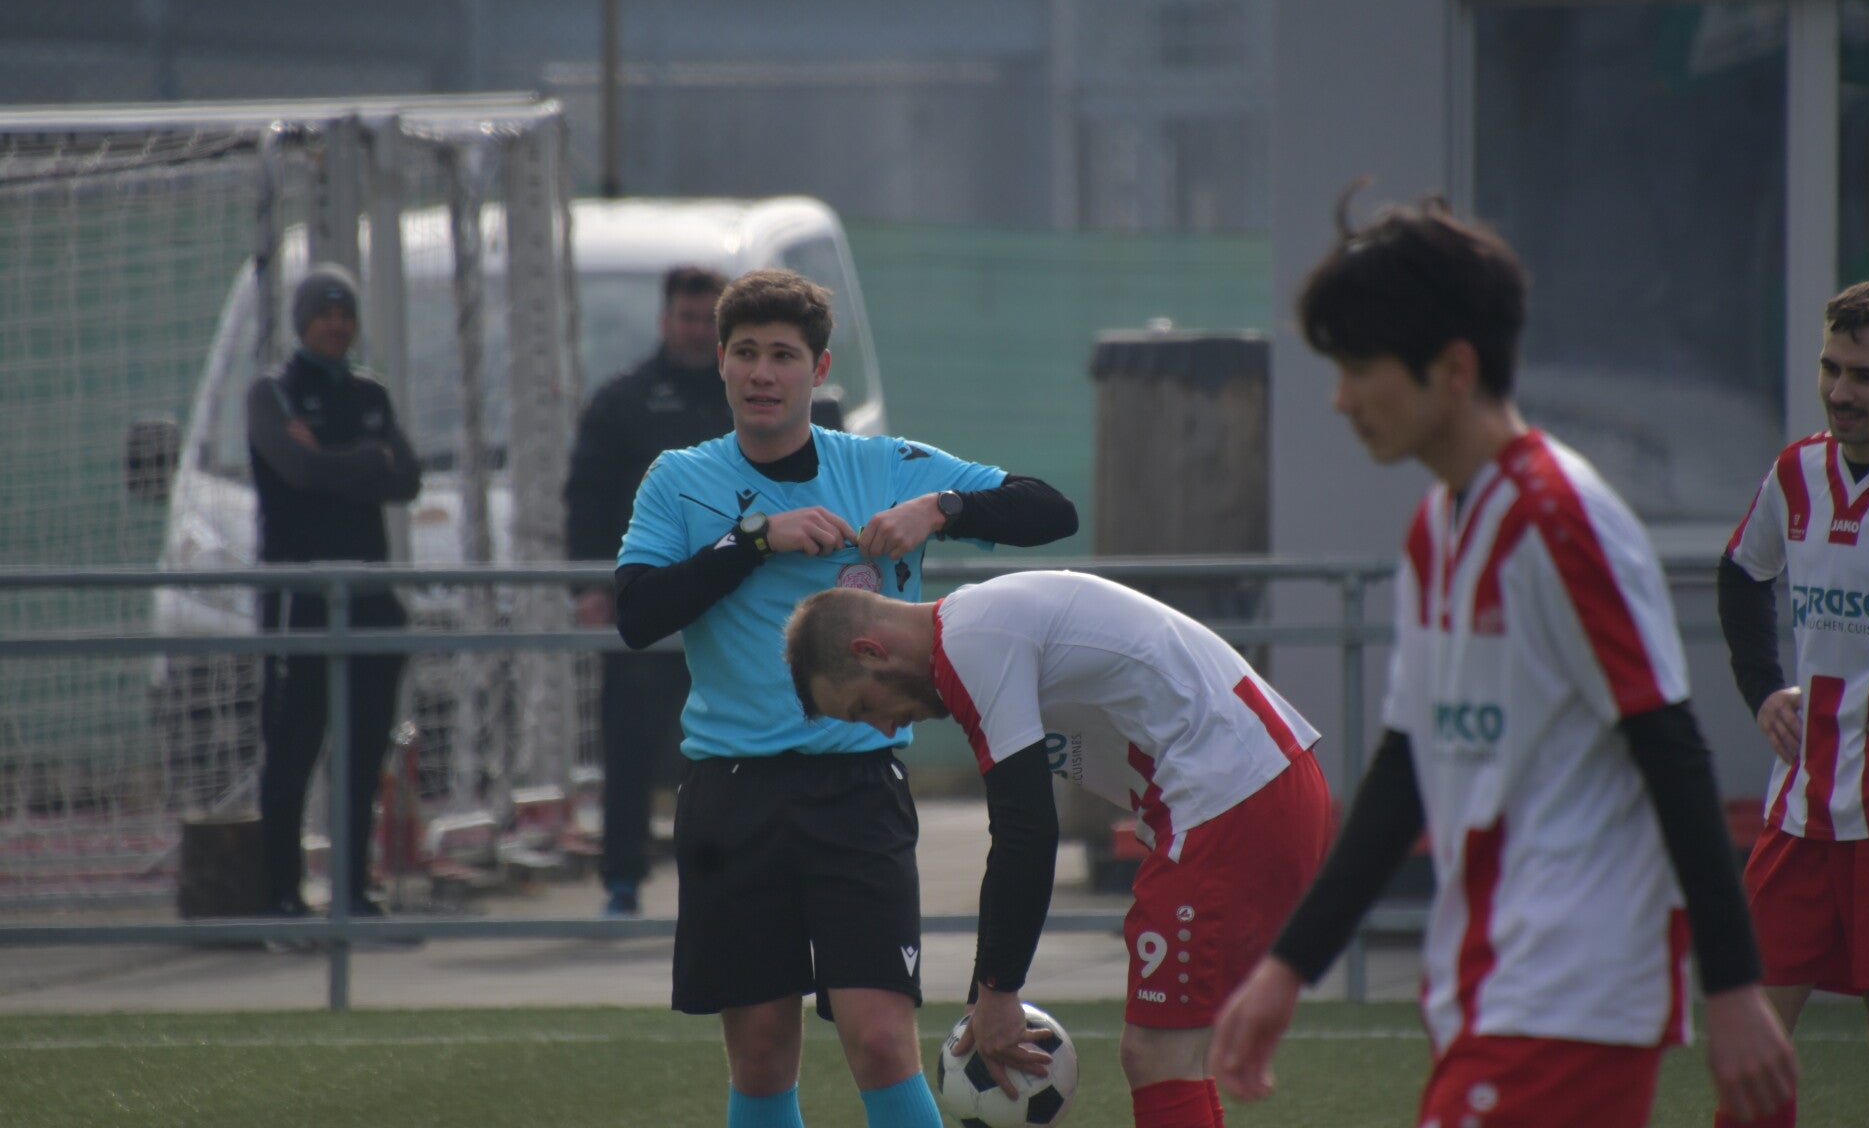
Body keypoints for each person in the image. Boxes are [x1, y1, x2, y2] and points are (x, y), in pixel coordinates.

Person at [1207, 195, 1796, 1127]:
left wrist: (1732, 987)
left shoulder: (1560, 519)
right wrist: (1289, 968)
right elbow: (1406, 764)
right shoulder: (1438, 527)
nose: (1340, 399)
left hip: (1572, 992)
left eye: (1358, 368)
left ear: (1454, 369)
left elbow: (1671, 746)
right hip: (1489, 986)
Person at [614, 268, 1078, 1128]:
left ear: (819, 368)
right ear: (721, 361)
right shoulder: (679, 479)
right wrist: (754, 539)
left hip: (858, 791)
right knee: (761, 1052)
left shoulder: (884, 466)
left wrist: (942, 509)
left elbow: (1051, 511)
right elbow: (637, 615)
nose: (763, 373)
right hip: (731, 793)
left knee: (880, 1039)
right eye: (746, 353)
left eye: (783, 355)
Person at [786, 569, 1334, 1128]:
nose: (883, 728)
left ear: (871, 650)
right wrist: (985, 994)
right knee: (1175, 1054)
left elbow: (1025, 830)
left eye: (864, 706)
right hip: (1251, 787)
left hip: (1233, 799)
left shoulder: (970, 644)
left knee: (1157, 1055)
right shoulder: (977, 626)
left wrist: (997, 990)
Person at [1717, 277, 1869, 1128]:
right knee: (1753, 1032)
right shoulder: (1796, 471)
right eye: (1830, 368)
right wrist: (1763, 688)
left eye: (1864, 375)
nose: (1840, 391)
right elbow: (1741, 574)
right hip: (1800, 804)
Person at [247, 263, 422, 919]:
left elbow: (406, 478)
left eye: (345, 314)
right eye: (324, 314)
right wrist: (364, 460)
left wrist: (333, 460)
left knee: (362, 751)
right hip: (300, 602)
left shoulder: (369, 394)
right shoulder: (273, 394)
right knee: (293, 749)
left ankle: (352, 890)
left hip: (369, 598)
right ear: (302, 323)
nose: (336, 325)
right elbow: (297, 471)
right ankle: (282, 895)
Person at [564, 265, 731, 916]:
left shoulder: (749, 398)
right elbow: (586, 498)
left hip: (733, 606)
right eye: (687, 318)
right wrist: (589, 587)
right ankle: (622, 880)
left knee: (731, 748)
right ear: (665, 322)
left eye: (708, 320)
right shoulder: (621, 402)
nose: (697, 331)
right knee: (630, 746)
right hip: (648, 601)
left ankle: (726, 882)